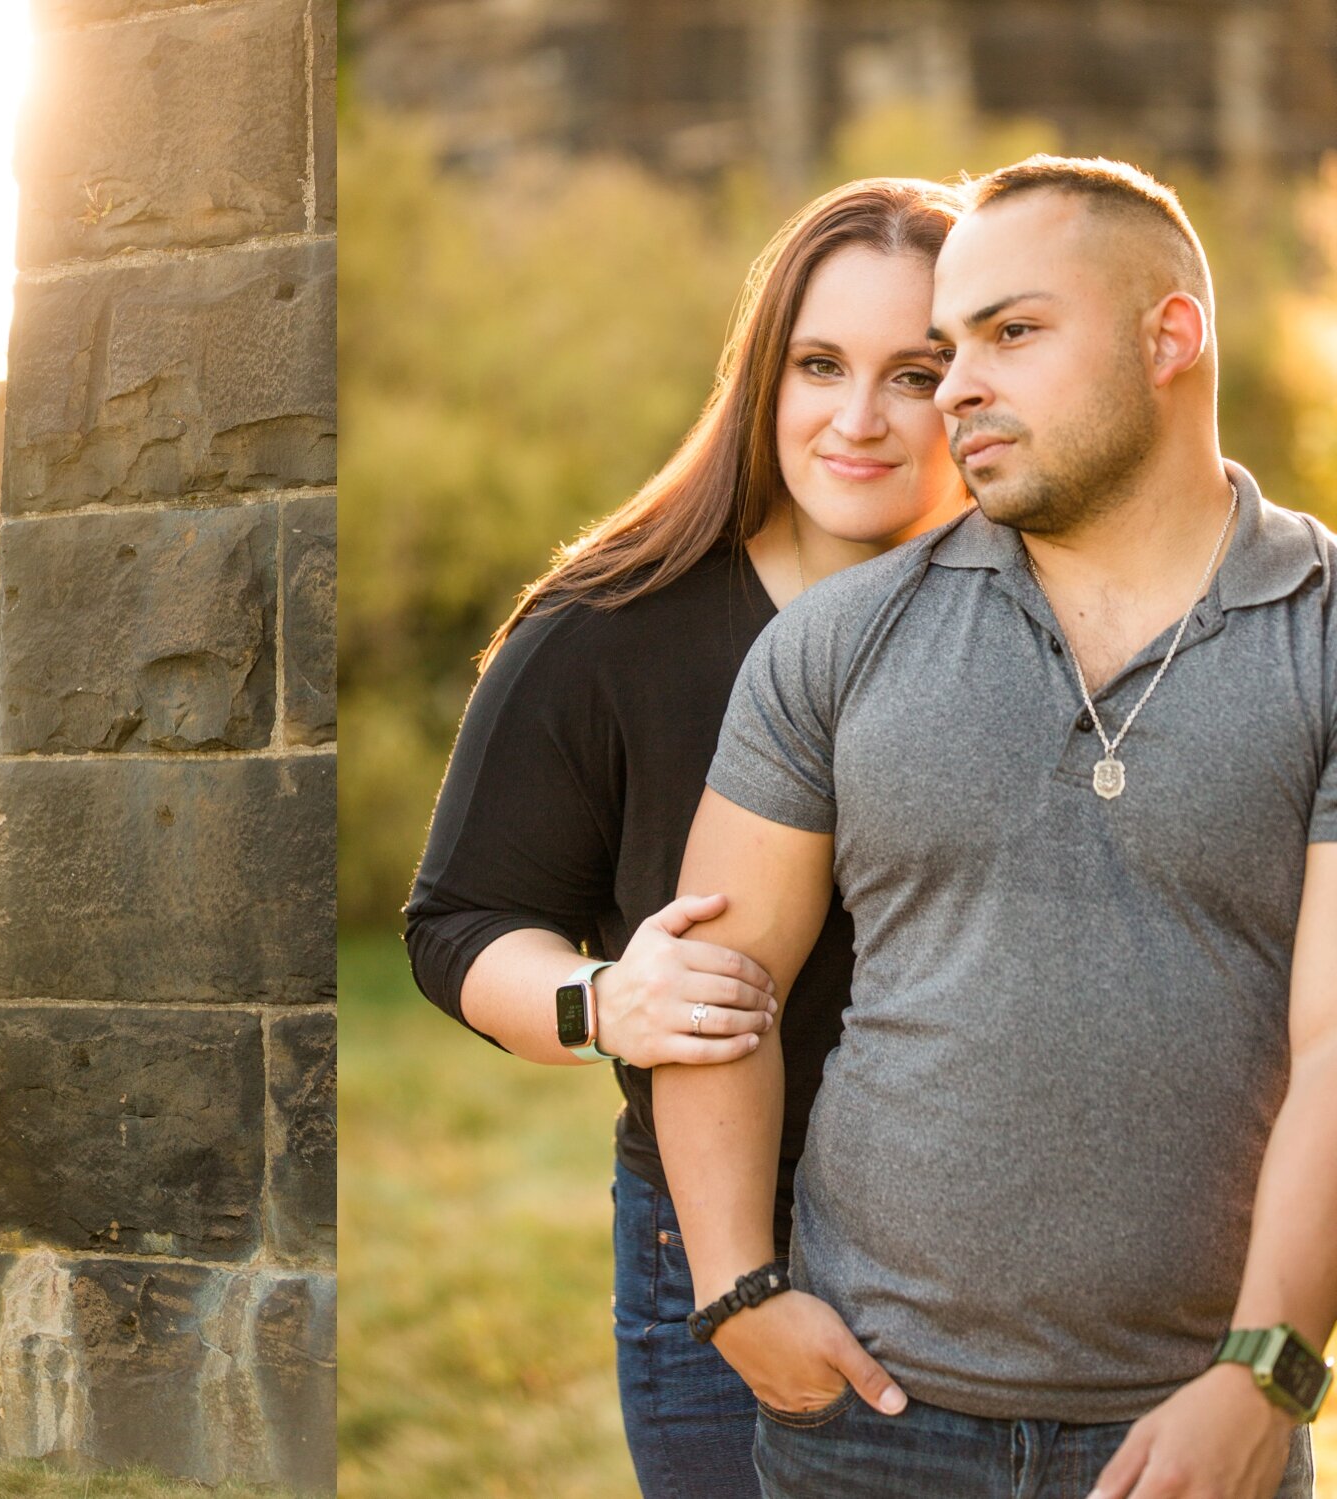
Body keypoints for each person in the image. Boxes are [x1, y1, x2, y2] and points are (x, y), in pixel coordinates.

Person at [658, 155, 1334, 1498]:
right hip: (863, 1416)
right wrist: (739, 1288)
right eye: (948, 346)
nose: (957, 384)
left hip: (1193, 1429)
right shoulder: (842, 639)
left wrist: (1267, 1369)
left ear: (1171, 336)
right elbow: (716, 987)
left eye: (1012, 333)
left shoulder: (1324, 631)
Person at [403, 178, 970, 1496]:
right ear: (764, 371)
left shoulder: (1033, 619)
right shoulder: (611, 624)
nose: (860, 416)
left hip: (989, 1258)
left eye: (918, 372)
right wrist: (602, 998)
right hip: (721, 1250)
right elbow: (453, 926)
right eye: (821, 363)